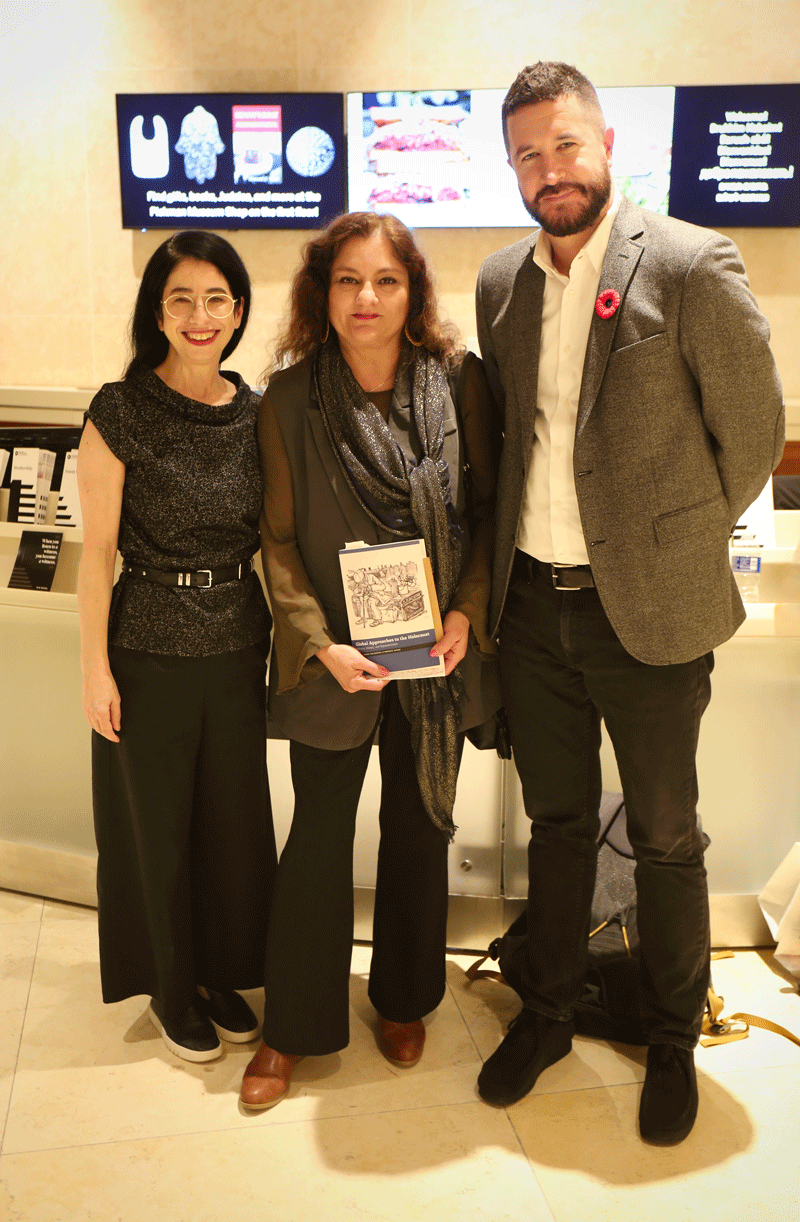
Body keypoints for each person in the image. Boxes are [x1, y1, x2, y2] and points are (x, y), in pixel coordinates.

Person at [475, 62, 785, 1142]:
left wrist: (669, 539)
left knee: (663, 835)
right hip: (531, 609)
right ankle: (547, 1011)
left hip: (645, 612)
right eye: (525, 153)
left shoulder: (692, 263)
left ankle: (667, 1036)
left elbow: (749, 430)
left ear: (604, 139)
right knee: (557, 827)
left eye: (563, 145)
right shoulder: (497, 281)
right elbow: (510, 440)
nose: (547, 171)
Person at [240, 211, 501, 1109]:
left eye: (386, 280)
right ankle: (293, 1030)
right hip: (335, 665)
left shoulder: (458, 385)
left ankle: (402, 999)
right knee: (315, 842)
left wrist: (466, 609)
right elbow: (276, 542)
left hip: (436, 658)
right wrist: (321, 644)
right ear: (324, 292)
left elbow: (482, 517)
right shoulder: (287, 399)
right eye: (348, 280)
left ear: (413, 292)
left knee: (420, 834)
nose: (367, 298)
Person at [77, 231, 277, 1063]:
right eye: (181, 300)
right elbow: (96, 555)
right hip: (147, 648)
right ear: (156, 311)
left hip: (236, 645)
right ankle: (170, 986)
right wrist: (93, 669)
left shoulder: (257, 410)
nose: (201, 317)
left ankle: (216, 970)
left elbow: (277, 541)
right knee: (155, 829)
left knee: (230, 826)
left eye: (216, 300)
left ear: (238, 311)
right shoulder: (119, 409)